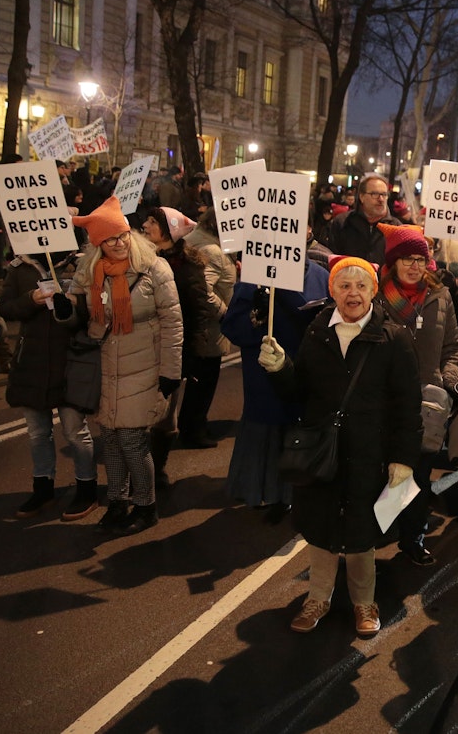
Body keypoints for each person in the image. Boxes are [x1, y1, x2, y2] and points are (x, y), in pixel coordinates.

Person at [258, 256, 421, 637]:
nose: (353, 294)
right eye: (344, 286)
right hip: (324, 452)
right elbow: (300, 393)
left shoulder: (393, 337)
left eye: (361, 286)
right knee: (321, 528)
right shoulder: (317, 331)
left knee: (362, 532)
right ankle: (318, 598)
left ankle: (365, 602)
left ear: (373, 291)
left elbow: (407, 406)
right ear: (332, 291)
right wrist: (281, 368)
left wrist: (403, 458)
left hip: (370, 452)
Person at [57, 196, 183, 536]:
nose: (117, 243)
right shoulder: (90, 271)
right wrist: (63, 305)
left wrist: (171, 372)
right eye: (109, 239)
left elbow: (173, 322)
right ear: (97, 244)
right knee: (110, 437)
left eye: (122, 235)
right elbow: (79, 313)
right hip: (108, 364)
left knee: (131, 440)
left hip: (146, 364)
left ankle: (146, 506)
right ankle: (117, 501)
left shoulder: (154, 268)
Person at [375, 223, 458, 566]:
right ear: (393, 262)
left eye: (420, 259)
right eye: (407, 259)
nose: (414, 265)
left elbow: (453, 346)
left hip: (427, 404)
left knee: (421, 475)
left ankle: (413, 537)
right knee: (385, 470)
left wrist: (446, 379)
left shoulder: (440, 297)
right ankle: (379, 531)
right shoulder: (378, 297)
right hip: (385, 402)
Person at [221, 261, 328, 518]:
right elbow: (233, 328)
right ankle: (265, 492)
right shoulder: (255, 278)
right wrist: (255, 316)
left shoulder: (320, 276)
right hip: (264, 377)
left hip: (305, 372)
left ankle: (295, 493)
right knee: (266, 428)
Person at [0, 250, 99, 520]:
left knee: (75, 431)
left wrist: (72, 307)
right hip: (32, 362)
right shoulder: (20, 268)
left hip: (71, 359)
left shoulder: (81, 264)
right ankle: (42, 489)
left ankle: (87, 489)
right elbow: (5, 307)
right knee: (37, 433)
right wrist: (30, 299)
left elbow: (96, 307)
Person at [142, 207, 214, 483]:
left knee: (164, 417)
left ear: (169, 231)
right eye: (147, 220)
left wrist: (193, 355)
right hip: (140, 348)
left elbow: (198, 311)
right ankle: (137, 470)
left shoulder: (188, 266)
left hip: (172, 351)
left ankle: (155, 470)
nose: (146, 225)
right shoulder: (138, 259)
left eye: (153, 222)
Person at [180, 209, 236, 450]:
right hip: (209, 328)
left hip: (198, 325)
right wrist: (225, 312)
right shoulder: (212, 250)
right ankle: (194, 428)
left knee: (199, 380)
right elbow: (204, 290)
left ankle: (192, 424)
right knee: (204, 381)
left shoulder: (196, 238)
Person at [326, 175, 400, 264]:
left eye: (384, 194)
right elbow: (332, 257)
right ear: (362, 197)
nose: (381, 199)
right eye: (375, 194)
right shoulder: (343, 222)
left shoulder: (396, 228)